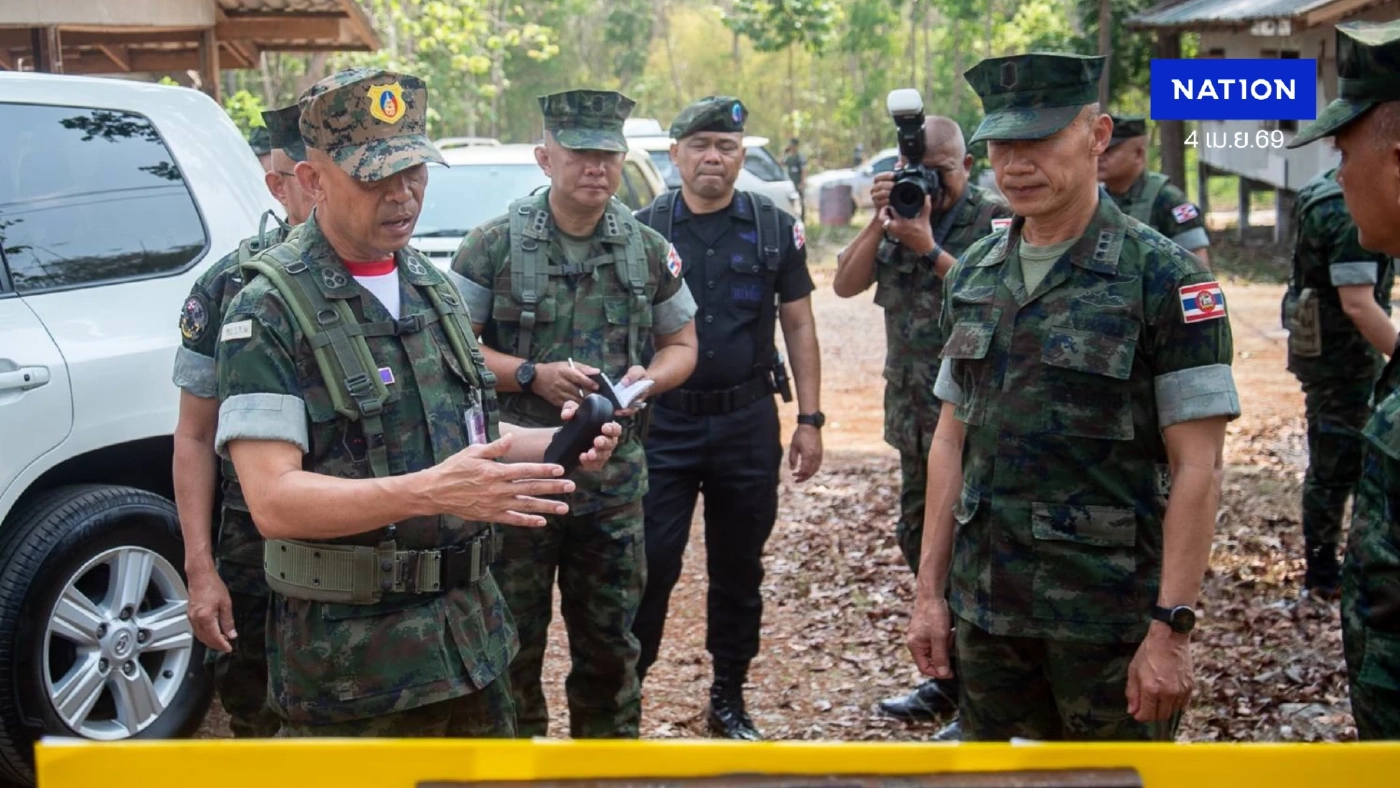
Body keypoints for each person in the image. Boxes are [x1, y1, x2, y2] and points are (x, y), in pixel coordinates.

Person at [215, 67, 620, 738]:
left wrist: (558, 443)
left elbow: (468, 438)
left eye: (415, 172)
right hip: (354, 673)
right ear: (313, 180)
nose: (402, 195)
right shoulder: (267, 312)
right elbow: (274, 501)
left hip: (472, 647)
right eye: (376, 178)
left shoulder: (432, 288)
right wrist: (430, 492)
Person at [905, 52, 1241, 742]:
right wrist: (929, 594)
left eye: (1041, 139)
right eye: (1002, 145)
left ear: (1097, 135)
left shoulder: (1167, 280)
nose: (1017, 164)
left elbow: (1199, 467)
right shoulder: (973, 274)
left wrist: (1171, 629)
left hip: (1111, 625)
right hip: (989, 617)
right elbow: (950, 438)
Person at [451, 89, 700, 739]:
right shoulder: (492, 245)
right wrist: (530, 373)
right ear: (545, 158)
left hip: (612, 486)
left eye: (609, 155)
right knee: (510, 646)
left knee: (611, 650)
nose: (597, 168)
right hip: (518, 485)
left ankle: (606, 771)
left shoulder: (647, 249)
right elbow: (452, 354)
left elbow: (682, 345)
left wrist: (649, 380)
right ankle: (519, 771)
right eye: (581, 154)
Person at [631, 96, 823, 741]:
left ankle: (729, 696)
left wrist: (811, 418)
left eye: (726, 146)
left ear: (741, 155)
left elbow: (799, 323)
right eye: (700, 145)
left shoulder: (773, 227)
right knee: (650, 563)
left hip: (746, 422)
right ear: (675, 154)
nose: (713, 157)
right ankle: (627, 693)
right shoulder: (644, 229)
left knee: (739, 567)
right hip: (664, 424)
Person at [832, 115, 1011, 739]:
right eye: (918, 172)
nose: (930, 184)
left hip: (979, 423)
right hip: (915, 419)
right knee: (920, 540)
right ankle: (950, 679)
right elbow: (844, 283)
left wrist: (928, 248)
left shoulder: (994, 220)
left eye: (941, 172)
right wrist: (880, 221)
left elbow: (1001, 302)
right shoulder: (899, 214)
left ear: (967, 165)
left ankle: (983, 703)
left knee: (976, 555)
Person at [173, 101, 313, 738]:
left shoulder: (401, 278)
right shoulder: (229, 285)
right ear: (279, 186)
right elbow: (194, 434)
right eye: (308, 176)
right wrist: (200, 569)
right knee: (256, 715)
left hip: (367, 550)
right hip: (254, 548)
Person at [1285, 18, 1400, 739]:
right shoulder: (1333, 206)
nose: (1340, 172)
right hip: (1337, 361)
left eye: (1345, 150)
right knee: (1331, 464)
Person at [1281, 166, 1394, 601]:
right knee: (1337, 466)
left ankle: (1326, 569)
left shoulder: (1325, 186)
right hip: (1344, 361)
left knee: (1334, 464)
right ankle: (1324, 574)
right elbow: (1358, 303)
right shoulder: (1348, 207)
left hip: (1329, 353)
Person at [1097, 115, 1211, 266]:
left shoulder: (1168, 200)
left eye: (1109, 151)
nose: (1099, 157)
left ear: (1138, 154)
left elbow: (1198, 265)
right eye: (1098, 149)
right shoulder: (1095, 200)